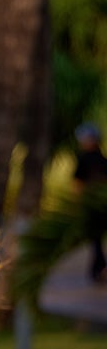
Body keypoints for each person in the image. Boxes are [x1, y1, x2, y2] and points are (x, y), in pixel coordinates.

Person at [73, 121, 107, 282]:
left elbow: (78, 184)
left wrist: (78, 203)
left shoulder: (84, 159)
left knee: (95, 238)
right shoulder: (103, 159)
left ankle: (98, 268)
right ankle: (99, 267)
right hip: (101, 205)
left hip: (92, 205)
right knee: (96, 239)